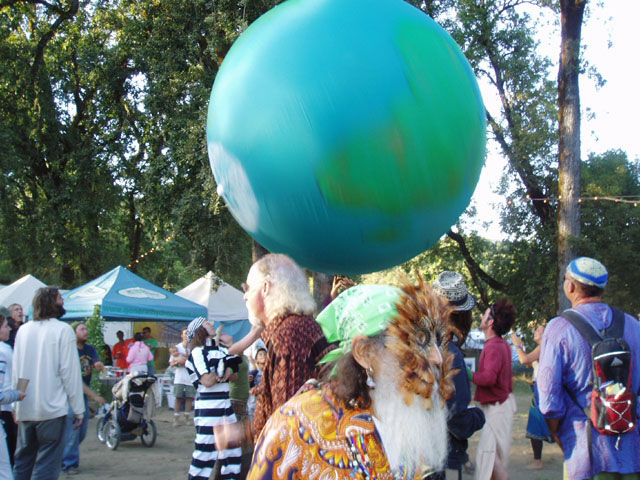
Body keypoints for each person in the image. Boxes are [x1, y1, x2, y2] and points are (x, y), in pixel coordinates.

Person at [248, 279, 454, 480]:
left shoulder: (406, 415)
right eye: (418, 341)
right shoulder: (295, 424)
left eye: (435, 341)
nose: (437, 358)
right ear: (365, 352)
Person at [537, 257, 640, 479]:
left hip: (586, 452)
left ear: (571, 286)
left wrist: (557, 434)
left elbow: (548, 400)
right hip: (632, 450)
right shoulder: (633, 325)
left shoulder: (559, 328)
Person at [237, 253, 335, 440]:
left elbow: (288, 424)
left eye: (247, 288)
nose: (245, 297)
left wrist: (240, 434)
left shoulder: (290, 334)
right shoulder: (295, 328)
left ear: (265, 288)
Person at [12, 287, 84, 480]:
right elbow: (69, 373)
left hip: (26, 407)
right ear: (51, 302)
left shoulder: (23, 330)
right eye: (60, 298)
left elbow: (18, 370)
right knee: (47, 465)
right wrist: (78, 408)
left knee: (23, 462)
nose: (63, 301)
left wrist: (16, 405)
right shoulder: (63, 330)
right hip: (52, 410)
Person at [432, 271, 485, 479]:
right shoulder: (449, 354)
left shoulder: (416, 344)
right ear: (463, 315)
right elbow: (457, 420)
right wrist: (478, 416)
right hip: (444, 458)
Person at [185, 317, 242, 480]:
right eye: (206, 323)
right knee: (205, 454)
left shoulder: (222, 350)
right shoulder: (197, 352)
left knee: (233, 454)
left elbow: (234, 376)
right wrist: (223, 368)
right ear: (199, 330)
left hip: (226, 407)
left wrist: (228, 370)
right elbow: (207, 381)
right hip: (208, 410)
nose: (211, 324)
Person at [470, 298, 517, 480]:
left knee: (491, 460)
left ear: (490, 322)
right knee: (491, 460)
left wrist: (468, 374)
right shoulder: (501, 344)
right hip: (500, 407)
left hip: (498, 409)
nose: (482, 316)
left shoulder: (494, 347)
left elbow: (489, 378)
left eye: (486, 314)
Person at [61, 322, 105, 475]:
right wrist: (95, 396)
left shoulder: (89, 349)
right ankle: (69, 463)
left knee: (81, 431)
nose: (85, 331)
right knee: (74, 428)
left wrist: (98, 364)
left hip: (82, 396)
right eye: (82, 329)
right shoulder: (70, 351)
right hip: (70, 395)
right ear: (74, 333)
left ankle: (63, 454)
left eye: (86, 328)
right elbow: (75, 381)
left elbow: (95, 361)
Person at [510, 324, 553, 470]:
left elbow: (524, 360)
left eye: (539, 330)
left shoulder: (544, 346)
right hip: (539, 391)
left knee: (538, 425)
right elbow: (530, 364)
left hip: (543, 393)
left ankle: (538, 462)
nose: (535, 331)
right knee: (537, 425)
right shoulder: (541, 348)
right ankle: (537, 460)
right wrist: (522, 349)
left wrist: (517, 345)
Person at [0, 313, 26, 480]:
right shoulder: (3, 351)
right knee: (5, 469)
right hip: (5, 409)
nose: (9, 328)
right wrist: (17, 395)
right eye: (5, 326)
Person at [169, 328, 195, 426]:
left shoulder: (193, 347)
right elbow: (171, 363)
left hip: (190, 376)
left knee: (189, 397)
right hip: (179, 376)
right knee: (178, 397)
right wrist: (177, 362)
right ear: (182, 335)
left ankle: (187, 417)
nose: (186, 335)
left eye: (188, 333)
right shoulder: (176, 347)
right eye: (185, 333)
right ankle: (176, 418)